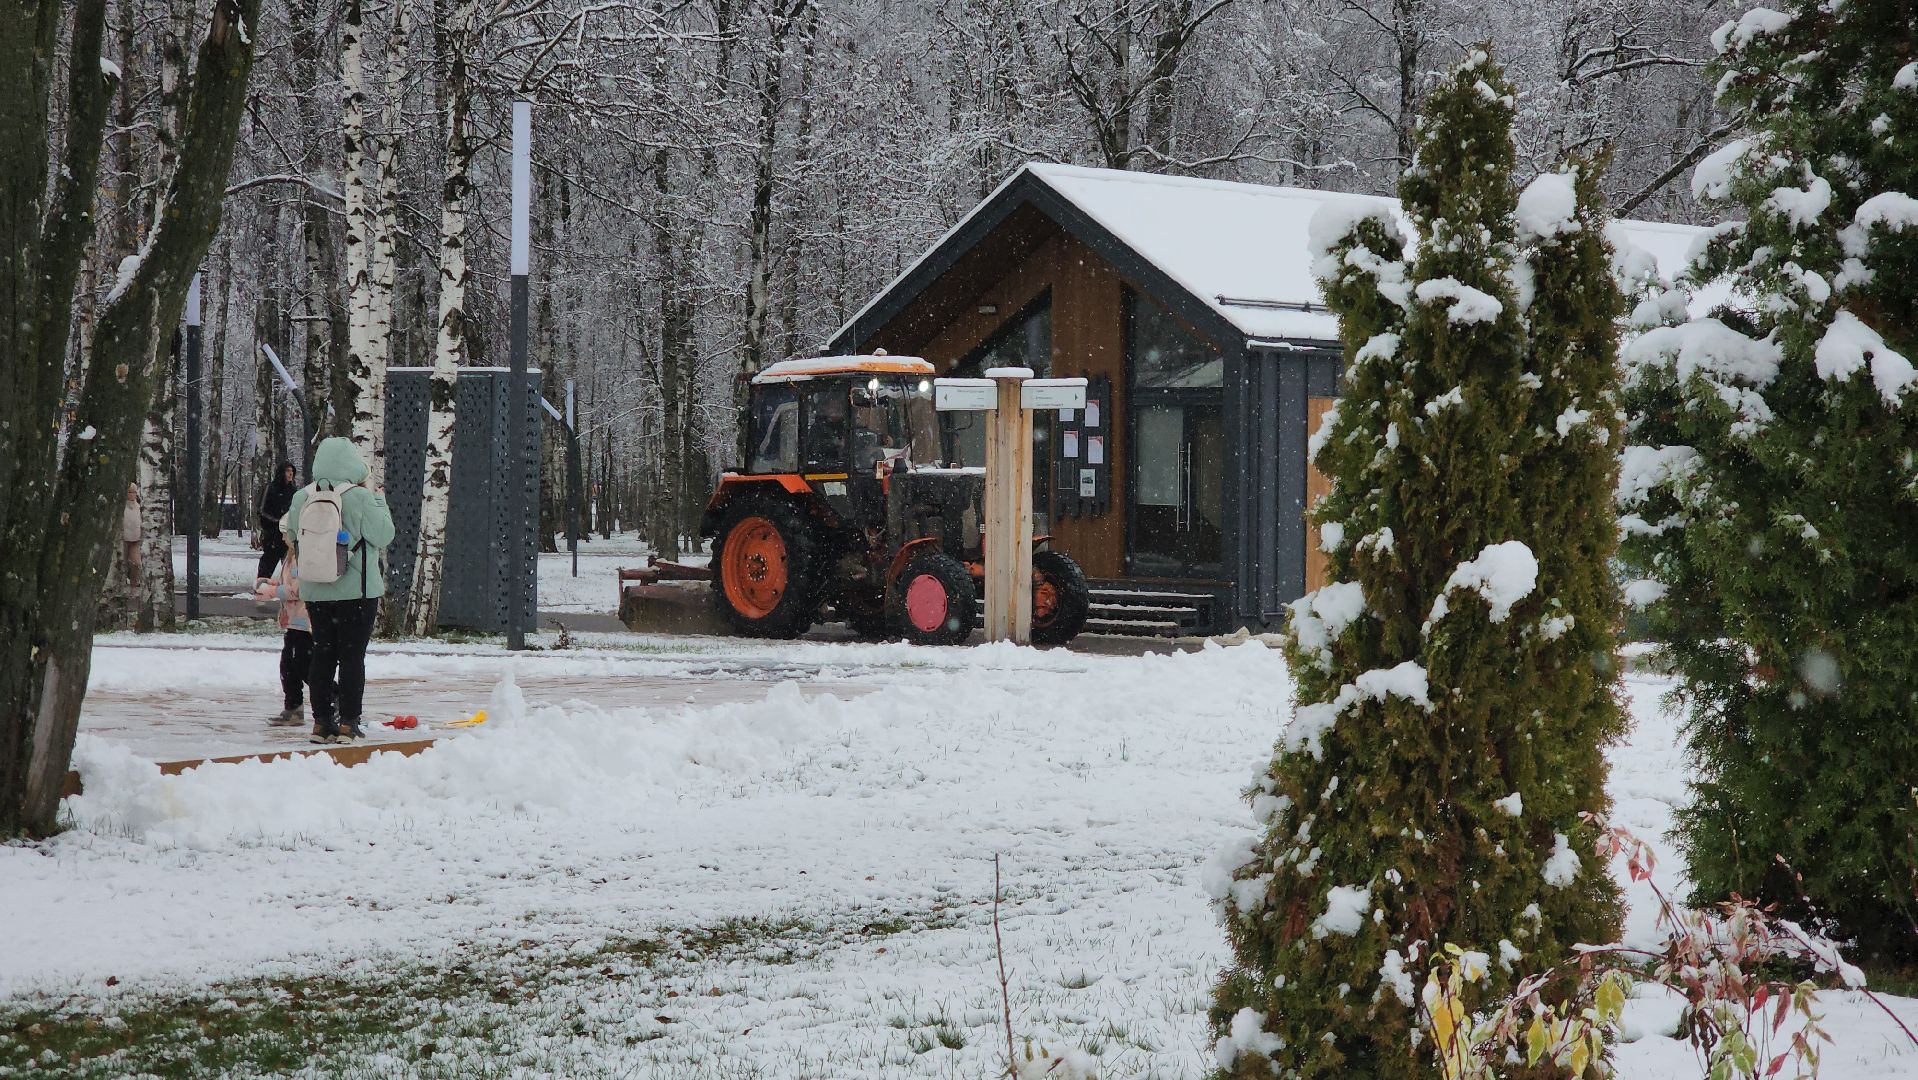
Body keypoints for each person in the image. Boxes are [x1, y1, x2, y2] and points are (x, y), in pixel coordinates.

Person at [285, 438, 394, 745]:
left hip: (317, 591)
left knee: (322, 655)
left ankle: (321, 724)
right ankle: (348, 723)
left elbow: (293, 536)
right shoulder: (360, 496)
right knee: (351, 658)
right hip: (356, 593)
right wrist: (379, 500)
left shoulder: (302, 498)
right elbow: (384, 535)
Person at [252, 540, 311, 727]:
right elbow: (289, 582)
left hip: (306, 620)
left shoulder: (305, 555)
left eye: (285, 532)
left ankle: (333, 694)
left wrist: (273, 591)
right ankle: (293, 706)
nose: (282, 537)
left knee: (304, 664)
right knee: (287, 665)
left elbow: (301, 588)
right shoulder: (290, 556)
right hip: (292, 620)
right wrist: (270, 584)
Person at [257, 461, 297, 580]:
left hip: (288, 533)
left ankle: (289, 587)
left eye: (292, 471)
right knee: (268, 562)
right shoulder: (271, 488)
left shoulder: (294, 491)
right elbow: (262, 510)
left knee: (290, 565)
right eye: (288, 471)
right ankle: (261, 584)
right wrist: (277, 521)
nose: (290, 474)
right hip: (272, 533)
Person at [121, 484, 142, 592]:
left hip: (135, 539)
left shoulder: (139, 507)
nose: (132, 494)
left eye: (134, 492)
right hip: (123, 539)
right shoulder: (121, 507)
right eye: (129, 492)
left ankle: (133, 585)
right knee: (121, 563)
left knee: (136, 564)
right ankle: (120, 586)